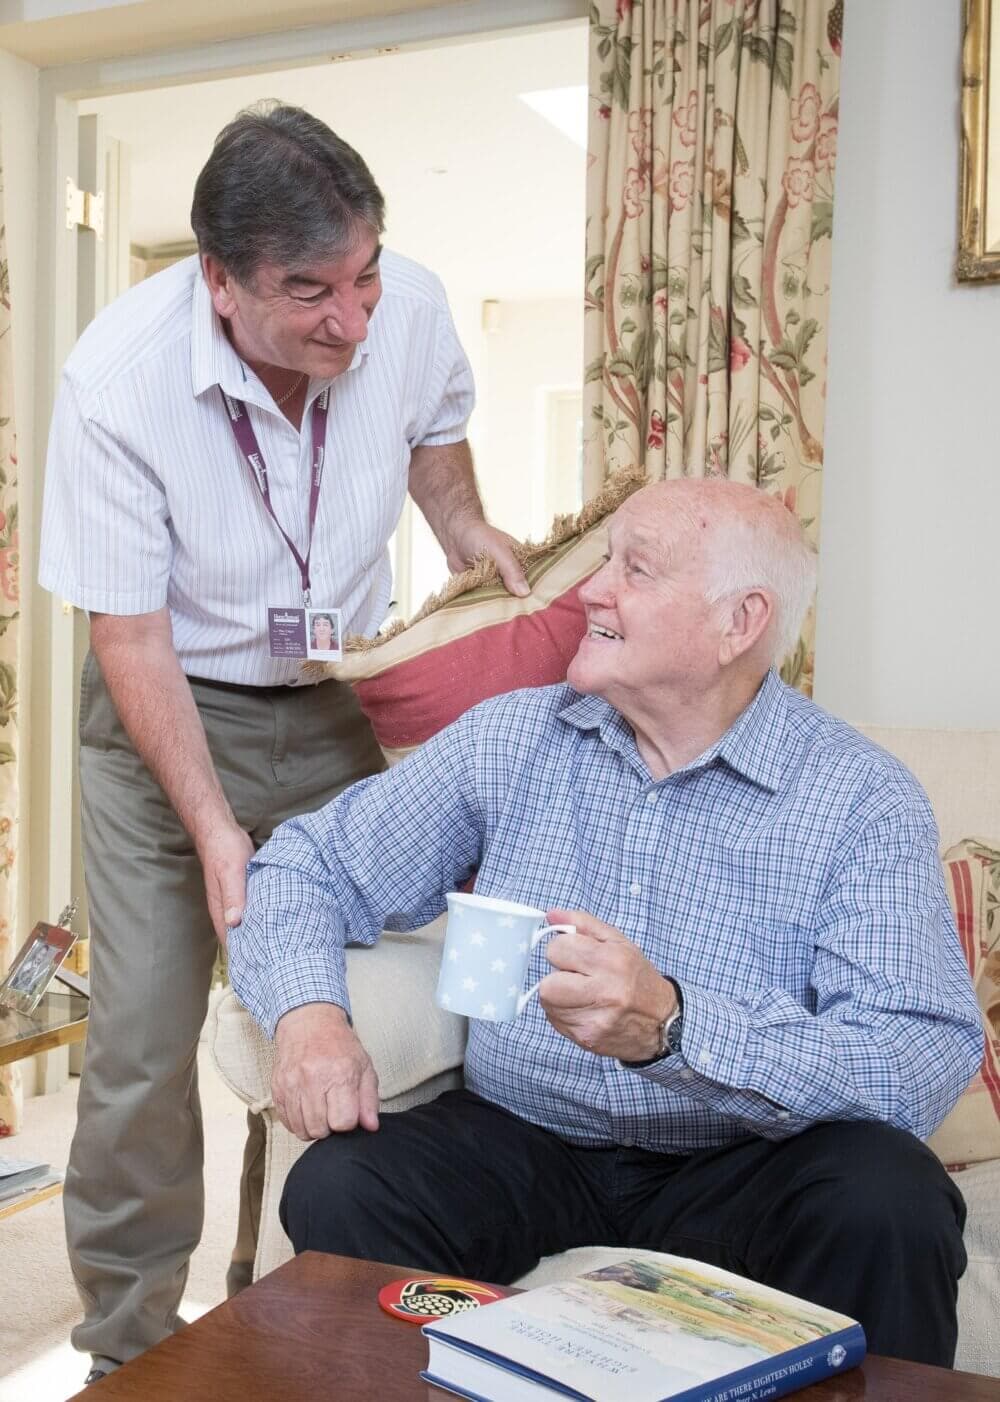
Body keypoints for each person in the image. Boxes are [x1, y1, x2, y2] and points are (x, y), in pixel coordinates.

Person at [230, 478, 984, 1369]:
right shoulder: (512, 739)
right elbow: (303, 866)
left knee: (890, 1200)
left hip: (747, 1156)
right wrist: (309, 1014)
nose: (591, 590)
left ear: (737, 623)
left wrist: (676, 1026)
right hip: (526, 1137)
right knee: (344, 1186)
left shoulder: (858, 798)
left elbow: (916, 1057)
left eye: (636, 569)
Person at [37, 101, 527, 1384]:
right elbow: (130, 641)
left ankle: (320, 1302)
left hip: (333, 697)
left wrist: (467, 532)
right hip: (165, 713)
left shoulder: (403, 309)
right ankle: (127, 1345)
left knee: (357, 999)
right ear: (219, 280)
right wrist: (210, 829)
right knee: (142, 1041)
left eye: (363, 276)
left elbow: (434, 445)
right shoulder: (117, 383)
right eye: (311, 292)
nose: (351, 320)